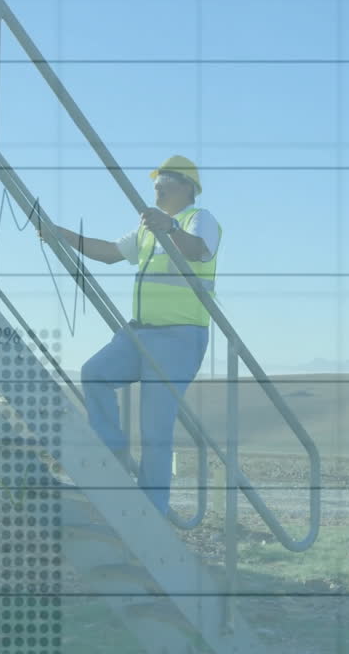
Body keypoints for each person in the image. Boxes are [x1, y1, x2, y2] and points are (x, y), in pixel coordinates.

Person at [37, 155, 221, 514]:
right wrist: (64, 235)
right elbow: (108, 253)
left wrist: (168, 228)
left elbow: (198, 250)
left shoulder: (200, 219)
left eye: (164, 178)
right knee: (95, 373)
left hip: (180, 337)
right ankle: (113, 457)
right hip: (141, 333)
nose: (156, 184)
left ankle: (152, 508)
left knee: (154, 427)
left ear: (187, 186)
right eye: (155, 179)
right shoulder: (147, 229)